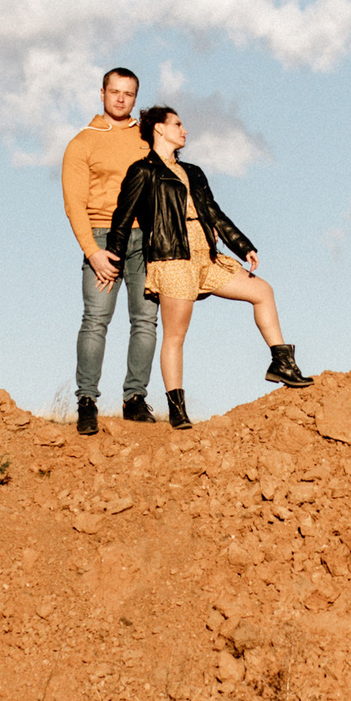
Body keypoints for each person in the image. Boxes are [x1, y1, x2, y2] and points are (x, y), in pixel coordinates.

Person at [106, 104, 313, 429]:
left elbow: (214, 213)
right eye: (177, 124)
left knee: (262, 291)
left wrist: (243, 245)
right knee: (175, 335)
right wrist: (112, 260)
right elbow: (122, 218)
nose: (184, 130)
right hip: (171, 257)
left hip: (206, 255)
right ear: (158, 129)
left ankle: (282, 363)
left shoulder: (194, 171)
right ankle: (177, 409)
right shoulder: (142, 171)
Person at [60, 68, 159, 435]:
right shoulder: (82, 142)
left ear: (135, 97)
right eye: (114, 91)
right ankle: (87, 400)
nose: (120, 99)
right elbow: (74, 203)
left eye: (128, 94)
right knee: (95, 320)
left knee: (145, 321)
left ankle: (135, 398)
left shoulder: (148, 138)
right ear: (102, 93)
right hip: (102, 239)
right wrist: (93, 251)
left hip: (145, 240)